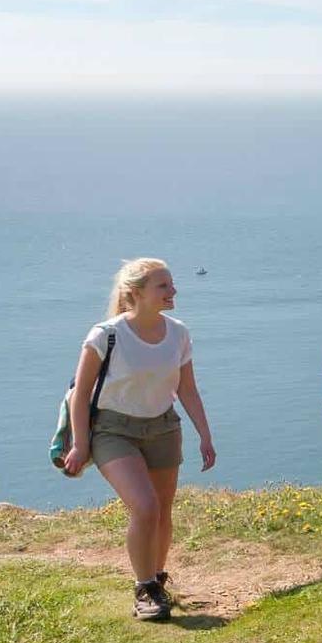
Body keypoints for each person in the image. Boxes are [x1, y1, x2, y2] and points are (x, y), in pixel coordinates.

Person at [62, 257, 216, 621]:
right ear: (136, 293)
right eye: (163, 286)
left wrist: (205, 436)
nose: (173, 291)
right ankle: (144, 588)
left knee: (162, 512)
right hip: (114, 431)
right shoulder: (105, 335)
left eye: (171, 284)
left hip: (163, 427)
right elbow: (80, 395)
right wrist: (81, 444)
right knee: (145, 507)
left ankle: (157, 579)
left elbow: (188, 390)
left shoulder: (178, 333)